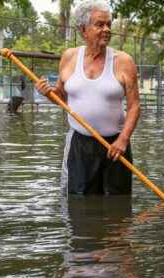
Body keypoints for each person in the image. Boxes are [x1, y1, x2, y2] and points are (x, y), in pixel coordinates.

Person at [35, 0, 141, 195]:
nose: (107, 29)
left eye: (109, 24)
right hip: (79, 144)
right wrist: (47, 93)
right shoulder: (69, 57)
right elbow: (61, 97)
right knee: (79, 204)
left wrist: (123, 139)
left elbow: (135, 106)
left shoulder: (124, 61)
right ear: (83, 29)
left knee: (118, 206)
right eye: (100, 24)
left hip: (115, 145)